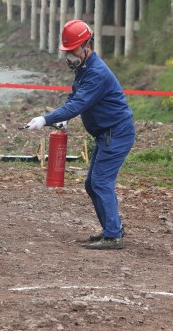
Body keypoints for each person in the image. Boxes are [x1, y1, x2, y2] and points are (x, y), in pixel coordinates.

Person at [24, 20, 135, 250]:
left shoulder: (97, 73)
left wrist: (46, 119)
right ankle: (111, 228)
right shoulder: (84, 69)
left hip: (116, 133)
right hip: (107, 133)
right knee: (91, 184)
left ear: (87, 45)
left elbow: (79, 104)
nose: (70, 55)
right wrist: (64, 117)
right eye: (68, 50)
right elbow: (74, 98)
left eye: (73, 49)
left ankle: (113, 236)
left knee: (101, 182)